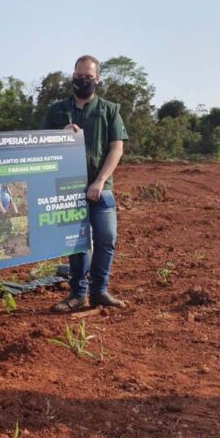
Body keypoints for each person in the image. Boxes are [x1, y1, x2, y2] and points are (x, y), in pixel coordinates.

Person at [41, 55, 128, 311]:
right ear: (72, 77)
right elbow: (41, 144)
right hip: (68, 189)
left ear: (97, 79)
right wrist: (61, 136)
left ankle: (100, 290)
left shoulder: (110, 110)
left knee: (106, 238)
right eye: (78, 77)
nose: (82, 81)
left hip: (101, 188)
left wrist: (100, 181)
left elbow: (116, 149)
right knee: (77, 242)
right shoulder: (56, 111)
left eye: (88, 78)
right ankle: (78, 294)